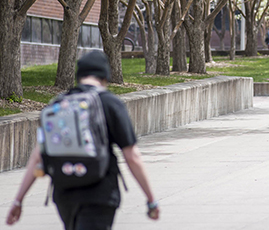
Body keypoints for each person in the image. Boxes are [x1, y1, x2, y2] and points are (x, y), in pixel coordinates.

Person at [6, 51, 160, 229]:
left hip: (64, 194)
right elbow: (132, 156)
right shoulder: (110, 103)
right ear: (105, 76)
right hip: (100, 194)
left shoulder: (58, 104)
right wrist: (151, 199)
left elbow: (37, 157)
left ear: (79, 76)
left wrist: (18, 200)